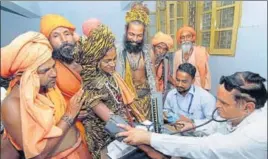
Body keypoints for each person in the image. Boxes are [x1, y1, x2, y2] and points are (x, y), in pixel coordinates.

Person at [117, 71, 267, 159]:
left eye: (224, 103)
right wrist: (193, 126)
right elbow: (217, 124)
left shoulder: (254, 135)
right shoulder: (240, 113)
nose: (216, 106)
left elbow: (204, 147)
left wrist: (148, 138)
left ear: (248, 107)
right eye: (218, 100)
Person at [74, 24, 166, 159]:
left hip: (120, 137)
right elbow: (115, 123)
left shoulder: (109, 75)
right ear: (95, 60)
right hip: (106, 144)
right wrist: (148, 150)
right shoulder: (93, 85)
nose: (112, 64)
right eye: (107, 61)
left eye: (114, 59)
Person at [1, 31, 91, 159]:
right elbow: (38, 155)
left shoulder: (46, 87)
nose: (54, 73)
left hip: (81, 150)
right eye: (45, 70)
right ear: (24, 75)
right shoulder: (12, 105)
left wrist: (75, 114)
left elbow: (56, 123)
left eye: (53, 66)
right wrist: (69, 115)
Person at [40, 14, 87, 145]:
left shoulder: (87, 57)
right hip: (69, 129)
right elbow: (45, 106)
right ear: (48, 42)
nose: (63, 39)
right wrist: (72, 111)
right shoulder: (48, 69)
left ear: (73, 36)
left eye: (67, 34)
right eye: (55, 36)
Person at [116, 2, 157, 122]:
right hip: (126, 103)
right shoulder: (118, 51)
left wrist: (156, 108)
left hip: (145, 101)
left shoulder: (148, 52)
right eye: (131, 34)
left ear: (144, 34)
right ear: (126, 30)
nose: (134, 39)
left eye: (139, 36)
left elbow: (153, 81)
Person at [173, 26, 211, 91]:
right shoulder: (177, 54)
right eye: (183, 37)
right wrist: (175, 87)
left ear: (192, 38)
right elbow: (175, 72)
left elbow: (206, 73)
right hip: (182, 87)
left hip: (198, 86)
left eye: (188, 36)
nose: (185, 39)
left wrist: (205, 90)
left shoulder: (200, 52)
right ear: (180, 40)